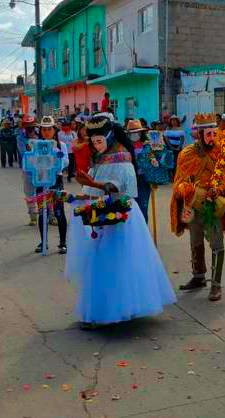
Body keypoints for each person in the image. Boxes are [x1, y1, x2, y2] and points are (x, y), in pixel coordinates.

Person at [67, 114, 176, 325]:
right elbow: (91, 186)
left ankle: (117, 309)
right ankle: (107, 309)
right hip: (103, 214)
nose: (96, 146)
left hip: (121, 216)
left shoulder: (123, 157)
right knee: (103, 262)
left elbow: (121, 189)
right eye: (93, 142)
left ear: (110, 137)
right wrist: (77, 196)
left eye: (99, 141)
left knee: (117, 261)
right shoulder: (100, 157)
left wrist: (94, 185)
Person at [171, 113, 225, 301]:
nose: (212, 137)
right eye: (208, 134)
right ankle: (198, 276)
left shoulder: (224, 154)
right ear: (200, 134)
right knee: (195, 241)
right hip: (194, 205)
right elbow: (180, 179)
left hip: (213, 206)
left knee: (216, 244)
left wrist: (218, 189)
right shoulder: (186, 154)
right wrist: (183, 188)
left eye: (214, 133)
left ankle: (216, 285)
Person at [29, 116, 68, 254]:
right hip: (41, 181)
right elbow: (30, 161)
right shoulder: (35, 144)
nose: (46, 132)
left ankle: (62, 242)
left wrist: (56, 156)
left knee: (59, 212)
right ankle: (43, 242)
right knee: (42, 213)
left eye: (49, 129)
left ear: (54, 130)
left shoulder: (61, 145)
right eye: (44, 129)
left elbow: (65, 162)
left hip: (56, 181)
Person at [129, 119, 174, 224]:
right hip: (130, 179)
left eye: (136, 132)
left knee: (143, 206)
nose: (134, 135)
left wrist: (156, 163)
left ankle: (143, 233)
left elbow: (162, 157)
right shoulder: (124, 146)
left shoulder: (149, 144)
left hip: (144, 179)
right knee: (131, 208)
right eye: (132, 133)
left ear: (141, 132)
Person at [17, 115, 39, 226]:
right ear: (24, 126)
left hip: (43, 168)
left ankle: (50, 215)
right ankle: (33, 216)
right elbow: (23, 153)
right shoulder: (21, 137)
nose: (31, 128)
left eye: (32, 125)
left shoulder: (41, 133)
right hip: (28, 169)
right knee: (30, 194)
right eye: (28, 126)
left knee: (45, 192)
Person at [58, 118, 76, 182]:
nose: (66, 127)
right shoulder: (59, 133)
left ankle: (69, 176)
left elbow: (75, 141)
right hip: (62, 151)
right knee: (62, 164)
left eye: (67, 125)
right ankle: (59, 175)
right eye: (64, 125)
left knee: (71, 165)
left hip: (71, 151)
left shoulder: (73, 133)